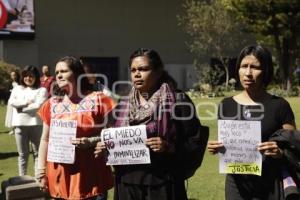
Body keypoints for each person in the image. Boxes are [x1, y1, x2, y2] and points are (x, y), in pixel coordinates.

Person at [95, 48, 201, 200]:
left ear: (158, 71)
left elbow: (194, 141)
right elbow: (114, 135)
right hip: (126, 182)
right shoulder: (122, 105)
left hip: (163, 182)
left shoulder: (178, 100)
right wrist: (106, 145)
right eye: (133, 70)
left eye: (143, 69)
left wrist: (169, 147)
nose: (137, 74)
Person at [207, 45, 297, 200]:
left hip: (270, 185)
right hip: (237, 185)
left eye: (255, 67)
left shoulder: (279, 105)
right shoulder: (226, 105)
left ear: (266, 70)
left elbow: (295, 146)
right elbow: (227, 143)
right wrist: (217, 147)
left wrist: (280, 153)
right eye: (244, 66)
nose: (248, 73)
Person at [36, 56, 115, 200]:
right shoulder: (51, 104)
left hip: (89, 172)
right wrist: (41, 171)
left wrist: (91, 141)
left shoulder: (99, 99)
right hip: (59, 172)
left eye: (64, 71)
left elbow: (113, 133)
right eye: (57, 72)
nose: (59, 75)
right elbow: (45, 139)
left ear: (78, 74)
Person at [8, 65, 47, 176]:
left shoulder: (42, 90)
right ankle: (22, 178)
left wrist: (20, 109)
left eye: (31, 76)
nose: (28, 79)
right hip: (19, 125)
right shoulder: (17, 89)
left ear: (36, 77)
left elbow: (38, 106)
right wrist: (26, 103)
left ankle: (38, 178)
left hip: (36, 124)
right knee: (23, 154)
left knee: (37, 153)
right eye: (26, 76)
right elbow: (11, 102)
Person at [5, 69, 21, 135]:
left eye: (14, 75)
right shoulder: (9, 84)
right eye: (12, 75)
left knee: (17, 115)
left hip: (18, 102)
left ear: (17, 76)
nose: (13, 77)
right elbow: (7, 93)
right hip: (11, 102)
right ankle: (13, 129)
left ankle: (18, 128)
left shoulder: (20, 83)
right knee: (11, 115)